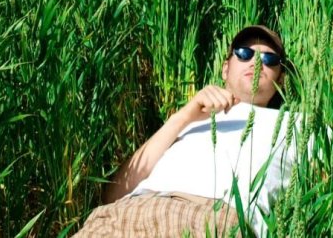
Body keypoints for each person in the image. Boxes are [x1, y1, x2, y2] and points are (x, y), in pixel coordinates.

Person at [73, 25, 299, 238]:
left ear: (281, 78)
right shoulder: (190, 118)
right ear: (225, 69)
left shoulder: (296, 124)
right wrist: (183, 117)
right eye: (244, 53)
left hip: (208, 220)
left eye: (268, 59)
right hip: (124, 215)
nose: (255, 62)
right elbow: (114, 195)